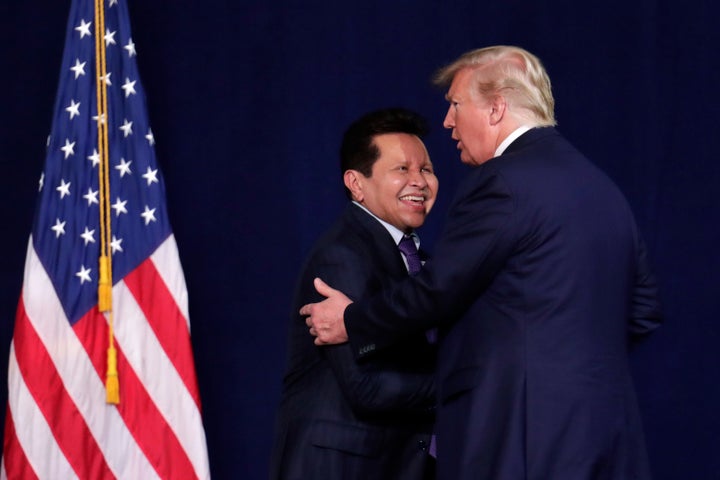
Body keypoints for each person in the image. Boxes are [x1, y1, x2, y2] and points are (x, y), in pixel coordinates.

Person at [301, 46, 662, 479]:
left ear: (496, 108)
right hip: (606, 431)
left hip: (522, 435)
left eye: (455, 104)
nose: (448, 122)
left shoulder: (503, 182)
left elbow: (439, 289)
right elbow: (643, 310)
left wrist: (352, 320)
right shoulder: (603, 189)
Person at [270, 107, 440, 480]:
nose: (420, 181)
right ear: (356, 183)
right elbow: (367, 387)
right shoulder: (343, 256)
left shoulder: (423, 260)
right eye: (402, 169)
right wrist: (462, 386)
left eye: (425, 169)